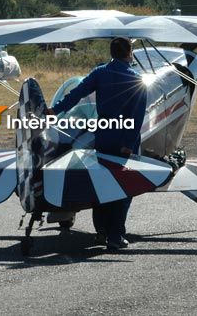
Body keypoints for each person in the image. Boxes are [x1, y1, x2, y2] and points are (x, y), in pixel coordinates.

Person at [48, 37, 147, 250]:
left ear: (112, 53)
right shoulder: (136, 79)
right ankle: (116, 235)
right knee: (123, 188)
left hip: (103, 138)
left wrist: (55, 110)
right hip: (124, 140)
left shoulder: (99, 73)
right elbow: (137, 116)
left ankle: (101, 232)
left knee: (101, 184)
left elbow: (76, 94)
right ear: (129, 53)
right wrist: (129, 143)